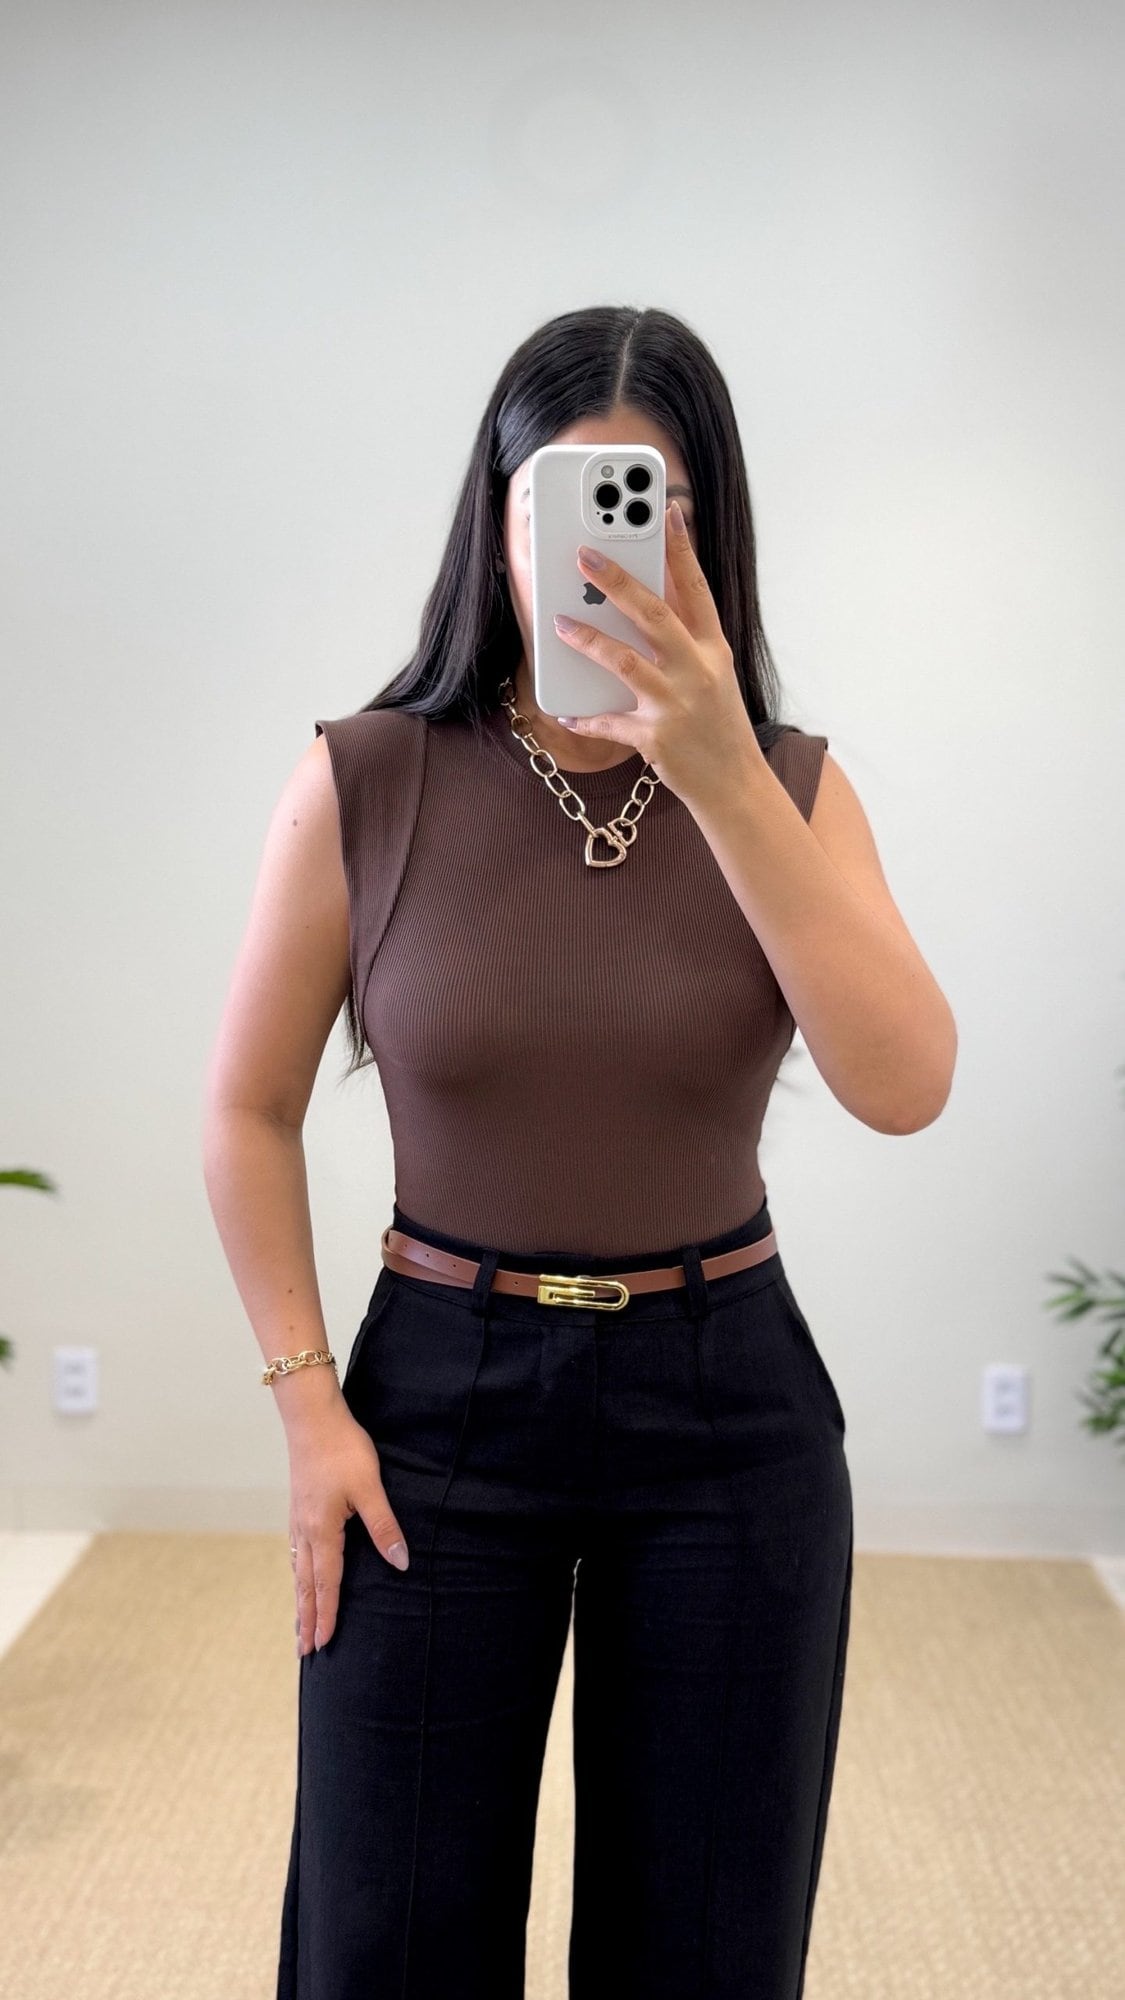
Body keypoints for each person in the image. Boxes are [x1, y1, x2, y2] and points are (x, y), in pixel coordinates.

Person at [202, 304, 957, 2000]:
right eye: (563, 498)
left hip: (725, 1408)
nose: (606, 548)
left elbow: (904, 1084)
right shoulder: (366, 779)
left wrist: (719, 774)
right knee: (385, 1941)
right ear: (497, 523)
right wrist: (307, 1407)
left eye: (651, 504)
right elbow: (244, 1107)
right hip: (434, 1403)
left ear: (708, 530)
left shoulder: (788, 790)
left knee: (701, 1951)